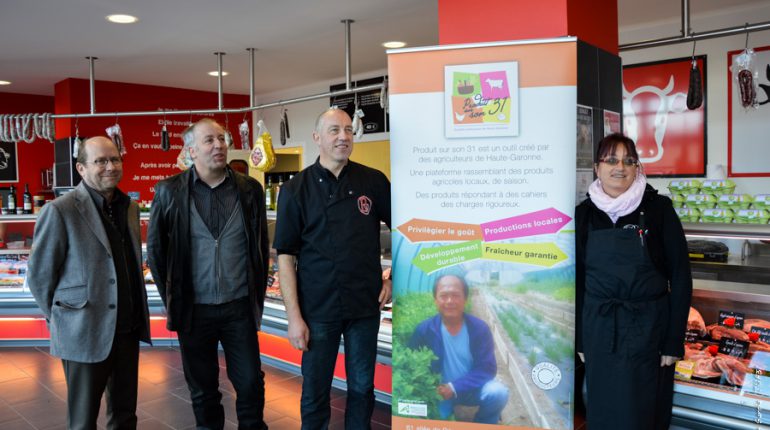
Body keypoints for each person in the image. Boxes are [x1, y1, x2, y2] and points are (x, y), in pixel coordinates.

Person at [147, 118, 269, 430]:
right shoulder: (169, 191)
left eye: (222, 139)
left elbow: (259, 248)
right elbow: (157, 253)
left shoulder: (249, 189)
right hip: (194, 310)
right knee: (202, 389)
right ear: (191, 150)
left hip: (238, 307)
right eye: (208, 140)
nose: (218, 146)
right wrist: (174, 297)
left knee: (251, 383)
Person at [273, 107, 391, 429]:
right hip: (317, 309)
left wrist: (391, 277)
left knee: (362, 388)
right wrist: (294, 317)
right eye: (335, 130)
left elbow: (405, 231)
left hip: (365, 306)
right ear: (317, 138)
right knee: (314, 391)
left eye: (349, 130)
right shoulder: (295, 190)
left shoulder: (374, 181)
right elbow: (285, 256)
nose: (344, 137)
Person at [27, 136, 151, 429]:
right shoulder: (60, 210)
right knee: (83, 421)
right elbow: (39, 276)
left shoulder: (129, 207)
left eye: (115, 159)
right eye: (101, 161)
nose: (111, 166)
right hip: (83, 331)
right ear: (81, 169)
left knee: (125, 415)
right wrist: (64, 317)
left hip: (127, 329)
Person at [575, 133, 692, 430]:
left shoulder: (658, 209)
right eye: (611, 160)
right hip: (599, 330)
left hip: (648, 332)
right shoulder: (584, 215)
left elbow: (680, 277)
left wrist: (673, 342)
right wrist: (580, 339)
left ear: (637, 167)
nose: (620, 167)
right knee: (601, 415)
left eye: (629, 160)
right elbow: (574, 283)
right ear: (597, 167)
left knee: (645, 415)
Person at [408, 274, 509, 424]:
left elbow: (487, 368)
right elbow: (411, 365)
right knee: (437, 419)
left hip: (472, 388)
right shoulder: (424, 330)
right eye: (444, 296)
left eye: (456, 295)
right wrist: (433, 389)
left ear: (465, 299)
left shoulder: (479, 328)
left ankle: (484, 423)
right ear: (435, 300)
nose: (450, 301)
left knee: (498, 393)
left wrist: (454, 387)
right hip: (440, 393)